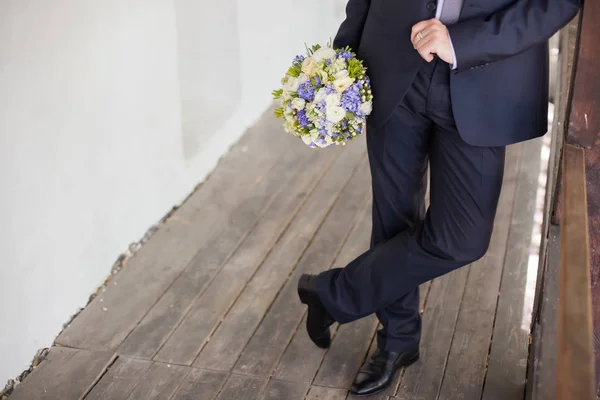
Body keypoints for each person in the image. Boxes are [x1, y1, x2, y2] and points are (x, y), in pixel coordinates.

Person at [297, 0, 580, 396]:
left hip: (483, 75)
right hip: (391, 62)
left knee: (463, 238)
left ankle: (334, 294)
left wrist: (463, 42)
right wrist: (342, 61)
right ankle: (398, 341)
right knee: (393, 217)